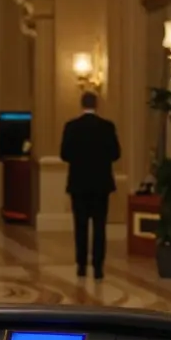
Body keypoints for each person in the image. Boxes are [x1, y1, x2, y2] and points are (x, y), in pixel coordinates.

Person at [60, 92, 120, 279]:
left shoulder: (71, 127)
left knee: (80, 226)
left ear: (81, 104)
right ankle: (98, 267)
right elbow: (116, 153)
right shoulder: (107, 127)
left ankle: (81, 265)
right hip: (101, 184)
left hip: (79, 184)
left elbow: (64, 154)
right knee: (100, 226)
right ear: (97, 104)